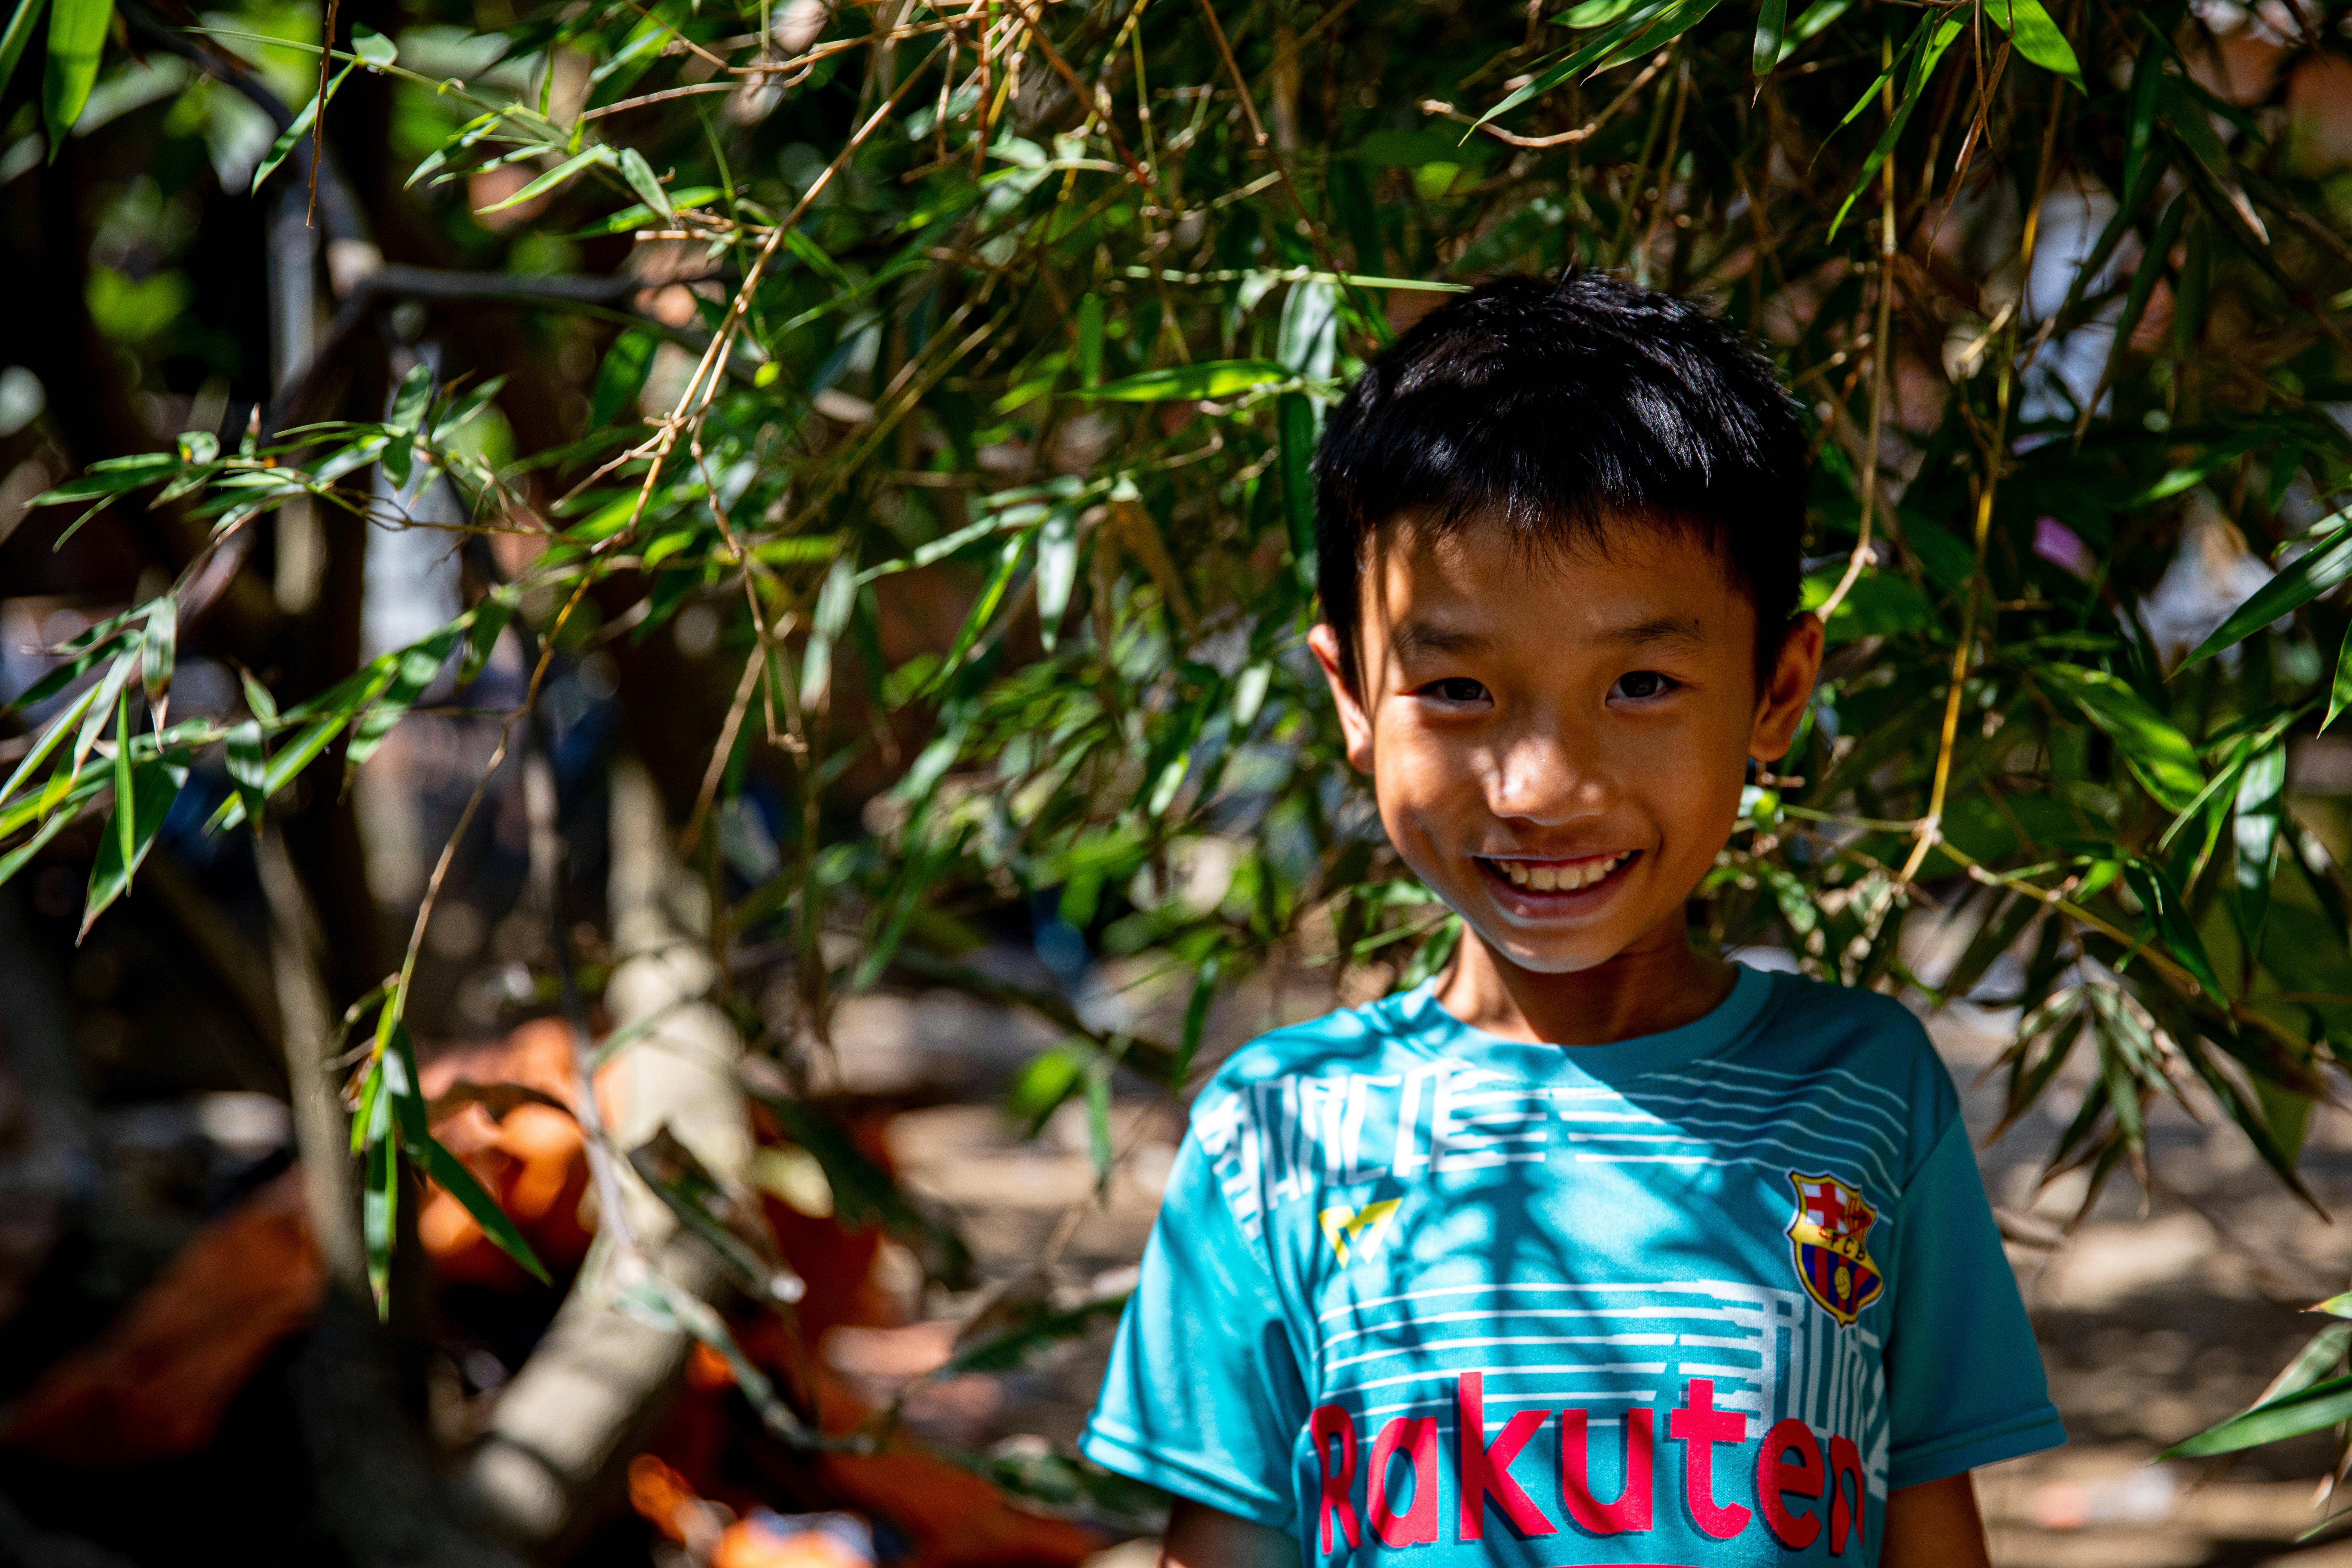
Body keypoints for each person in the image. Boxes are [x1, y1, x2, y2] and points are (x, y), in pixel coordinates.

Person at [1076, 270, 2064, 1566]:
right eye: (1457, 687)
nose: (1539, 788)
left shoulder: (1866, 1094)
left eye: (1641, 683)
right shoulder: (1277, 1135)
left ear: (1775, 690)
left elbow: (1930, 1531)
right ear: (1354, 697)